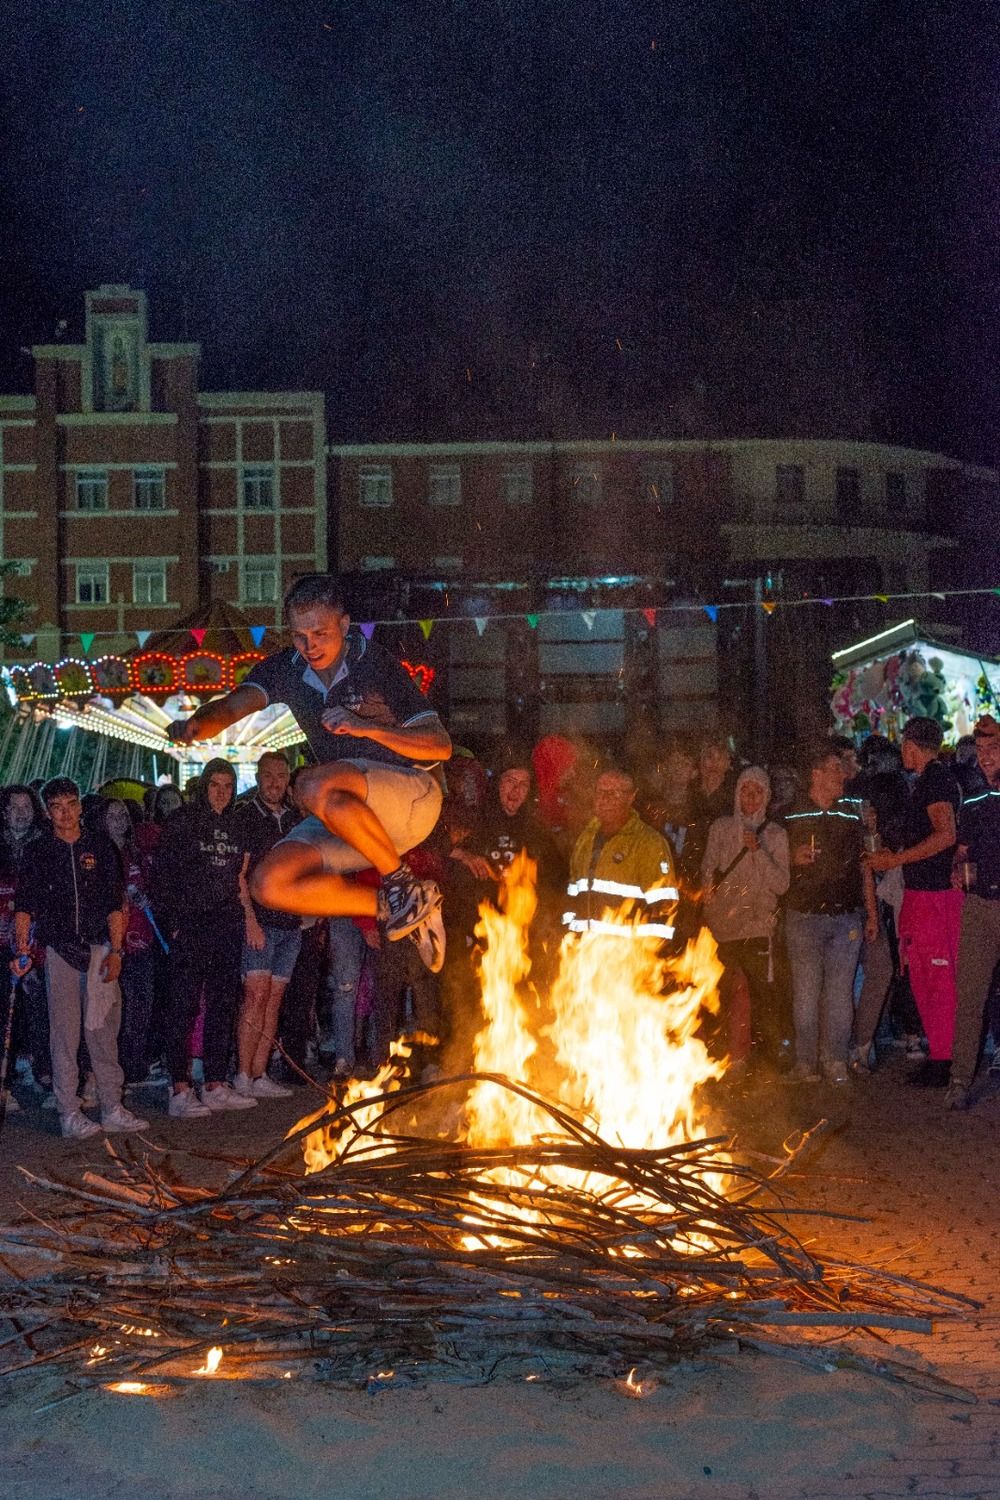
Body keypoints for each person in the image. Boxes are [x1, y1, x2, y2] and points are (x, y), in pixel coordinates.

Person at [167, 575, 451, 969]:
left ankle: (400, 883)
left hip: (412, 797)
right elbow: (233, 706)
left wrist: (366, 726)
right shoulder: (287, 668)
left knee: (311, 782)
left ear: (345, 626)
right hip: (353, 817)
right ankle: (397, 905)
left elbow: (441, 746)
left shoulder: (375, 664)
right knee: (269, 883)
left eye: (320, 633)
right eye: (300, 635)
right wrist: (198, 724)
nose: (309, 645)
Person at [11, 776, 148, 1139]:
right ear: (47, 811)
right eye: (56, 807)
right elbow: (24, 907)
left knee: (103, 1032)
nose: (65, 813)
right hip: (59, 951)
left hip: (100, 949)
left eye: (71, 804)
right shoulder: (39, 852)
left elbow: (114, 904)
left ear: (80, 806)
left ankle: (112, 1105)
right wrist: (21, 948)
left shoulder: (101, 847)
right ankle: (69, 1111)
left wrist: (117, 951)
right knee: (64, 1035)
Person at [153, 759, 257, 1120]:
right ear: (203, 786)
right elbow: (162, 877)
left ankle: (215, 1082)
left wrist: (244, 919)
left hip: (226, 924)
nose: (222, 792)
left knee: (223, 1003)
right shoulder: (182, 822)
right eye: (215, 785)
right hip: (190, 925)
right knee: (182, 1004)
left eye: (228, 785)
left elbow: (242, 875)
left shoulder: (237, 823)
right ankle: (179, 1087)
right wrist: (173, 925)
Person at [866, 716, 962, 1087]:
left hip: (934, 898)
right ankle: (941, 1056)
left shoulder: (935, 780)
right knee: (925, 977)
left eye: (904, 744)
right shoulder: (929, 780)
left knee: (936, 978)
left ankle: (945, 1061)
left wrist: (896, 860)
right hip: (926, 895)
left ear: (911, 745)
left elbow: (945, 835)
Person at [784, 745, 878, 1085]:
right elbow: (773, 862)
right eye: (836, 769)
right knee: (806, 993)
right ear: (817, 774)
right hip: (803, 917)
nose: (843, 775)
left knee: (840, 993)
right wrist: (791, 858)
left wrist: (871, 914)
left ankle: (835, 1060)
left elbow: (864, 866)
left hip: (845, 918)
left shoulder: (852, 814)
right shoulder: (790, 814)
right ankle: (805, 1063)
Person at [701, 767, 790, 1069]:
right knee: (726, 995)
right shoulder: (720, 829)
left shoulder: (776, 835)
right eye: (745, 790)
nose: (750, 797)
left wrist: (759, 852)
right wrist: (711, 903)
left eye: (757, 792)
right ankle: (728, 1056)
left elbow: (781, 883)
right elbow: (708, 871)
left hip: (756, 927)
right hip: (723, 927)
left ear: (766, 796)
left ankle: (761, 1064)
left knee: (760, 996)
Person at [231, 752, 301, 1099]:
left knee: (274, 999)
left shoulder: (294, 819)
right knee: (255, 997)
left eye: (281, 775)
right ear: (258, 778)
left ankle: (260, 1074)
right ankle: (243, 1074)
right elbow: (239, 875)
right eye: (269, 776)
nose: (275, 782)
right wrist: (249, 920)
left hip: (290, 923)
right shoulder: (246, 817)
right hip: (260, 922)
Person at [945, 715, 1000, 1109]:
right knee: (969, 995)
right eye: (980, 750)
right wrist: (956, 869)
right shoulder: (975, 802)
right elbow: (962, 850)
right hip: (980, 906)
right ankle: (960, 1080)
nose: (985, 758)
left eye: (994, 749)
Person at [564, 768, 677, 938]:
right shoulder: (585, 839)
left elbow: (664, 909)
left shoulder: (649, 843)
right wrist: (568, 936)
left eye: (615, 793)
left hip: (626, 956)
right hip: (584, 955)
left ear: (630, 797)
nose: (606, 799)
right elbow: (572, 897)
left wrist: (649, 956)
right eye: (601, 792)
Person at [96, 797, 158, 1088]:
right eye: (113, 815)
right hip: (112, 942)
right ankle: (109, 1069)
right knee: (111, 1007)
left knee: (140, 1005)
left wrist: (146, 896)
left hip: (141, 938)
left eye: (123, 815)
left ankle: (135, 1066)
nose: (120, 821)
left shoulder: (137, 853)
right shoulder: (96, 854)